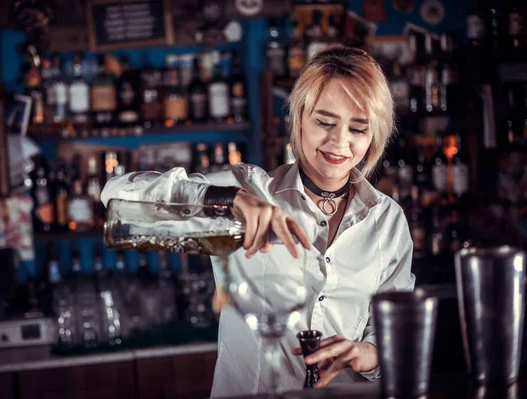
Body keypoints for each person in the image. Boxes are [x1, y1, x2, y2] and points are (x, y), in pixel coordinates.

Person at [101, 47, 415, 396]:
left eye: (358, 128)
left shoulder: (387, 220)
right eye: (325, 122)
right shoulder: (250, 189)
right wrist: (228, 200)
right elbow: (116, 197)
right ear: (299, 119)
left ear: (374, 137)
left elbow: (397, 338)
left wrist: (365, 353)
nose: (339, 141)